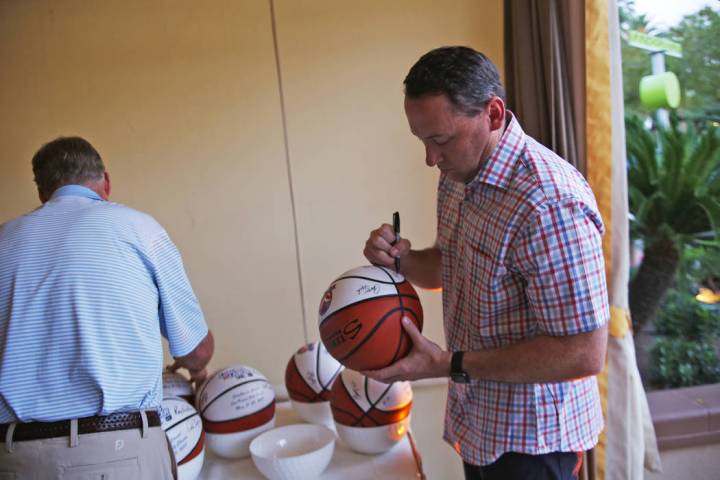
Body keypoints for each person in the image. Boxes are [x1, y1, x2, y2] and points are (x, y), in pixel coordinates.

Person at [363, 46, 609, 480]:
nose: (430, 159)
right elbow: (446, 267)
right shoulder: (460, 174)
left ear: (493, 114)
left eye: (440, 140)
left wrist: (449, 364)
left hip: (536, 442)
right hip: (479, 423)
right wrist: (400, 259)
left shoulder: (549, 203)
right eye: (422, 141)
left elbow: (583, 353)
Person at [0, 137, 213, 478]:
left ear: (43, 193)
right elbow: (196, 350)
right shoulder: (140, 229)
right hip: (119, 453)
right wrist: (197, 370)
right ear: (106, 183)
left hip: (14, 456)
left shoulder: (3, 241)